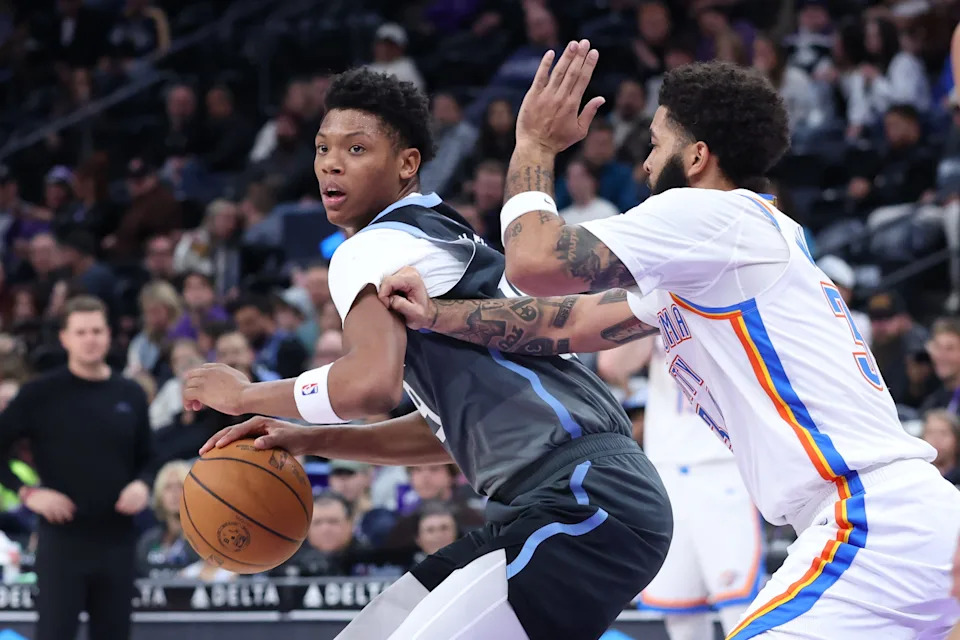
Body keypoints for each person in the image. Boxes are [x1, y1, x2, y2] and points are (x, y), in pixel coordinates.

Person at [378, 42, 960, 638]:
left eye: (656, 145)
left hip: (868, 518)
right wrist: (437, 314)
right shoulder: (718, 253)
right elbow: (565, 323)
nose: (647, 165)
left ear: (698, 156)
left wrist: (534, 145)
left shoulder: (715, 217)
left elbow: (533, 261)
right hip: (895, 516)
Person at [183, 67, 672, 640]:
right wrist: (311, 439)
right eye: (321, 148)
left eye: (356, 148)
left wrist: (245, 394)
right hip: (568, 495)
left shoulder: (373, 247)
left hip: (582, 496)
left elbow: (370, 386)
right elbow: (448, 431)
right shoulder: (435, 233)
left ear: (407, 163)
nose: (330, 164)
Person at [0, 295, 153, 640]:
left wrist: (143, 483)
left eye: (97, 331)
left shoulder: (129, 393)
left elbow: (149, 455)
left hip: (117, 538)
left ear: (109, 334)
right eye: (81, 332)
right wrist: (27, 492)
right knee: (55, 633)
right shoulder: (40, 394)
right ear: (65, 338)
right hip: (62, 539)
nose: (90, 339)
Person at [633, 335, 762, 639]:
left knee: (739, 607)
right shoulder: (650, 309)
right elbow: (613, 366)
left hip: (724, 463)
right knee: (680, 610)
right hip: (667, 467)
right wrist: (641, 314)